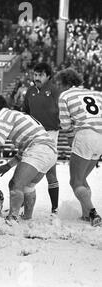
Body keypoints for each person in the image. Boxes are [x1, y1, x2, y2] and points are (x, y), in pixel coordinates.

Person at [0, 94, 58, 222]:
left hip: (39, 148)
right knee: (27, 187)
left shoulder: (4, 114)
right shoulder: (16, 115)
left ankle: (12, 218)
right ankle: (26, 218)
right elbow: (24, 150)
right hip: (50, 152)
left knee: (15, 184)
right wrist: (8, 165)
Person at [55, 68, 102, 227]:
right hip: (101, 136)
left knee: (75, 181)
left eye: (59, 84)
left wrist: (70, 140)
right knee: (82, 179)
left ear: (66, 83)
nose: (58, 88)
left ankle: (94, 213)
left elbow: (65, 123)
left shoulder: (65, 96)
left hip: (85, 135)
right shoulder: (97, 94)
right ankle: (85, 214)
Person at [24, 63, 61, 215]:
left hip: (50, 134)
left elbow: (63, 110)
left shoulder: (55, 90)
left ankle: (55, 209)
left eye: (40, 75)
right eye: (35, 75)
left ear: (48, 76)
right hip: (33, 134)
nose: (36, 78)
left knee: (50, 172)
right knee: (26, 169)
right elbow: (25, 112)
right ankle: (22, 202)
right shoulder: (30, 91)